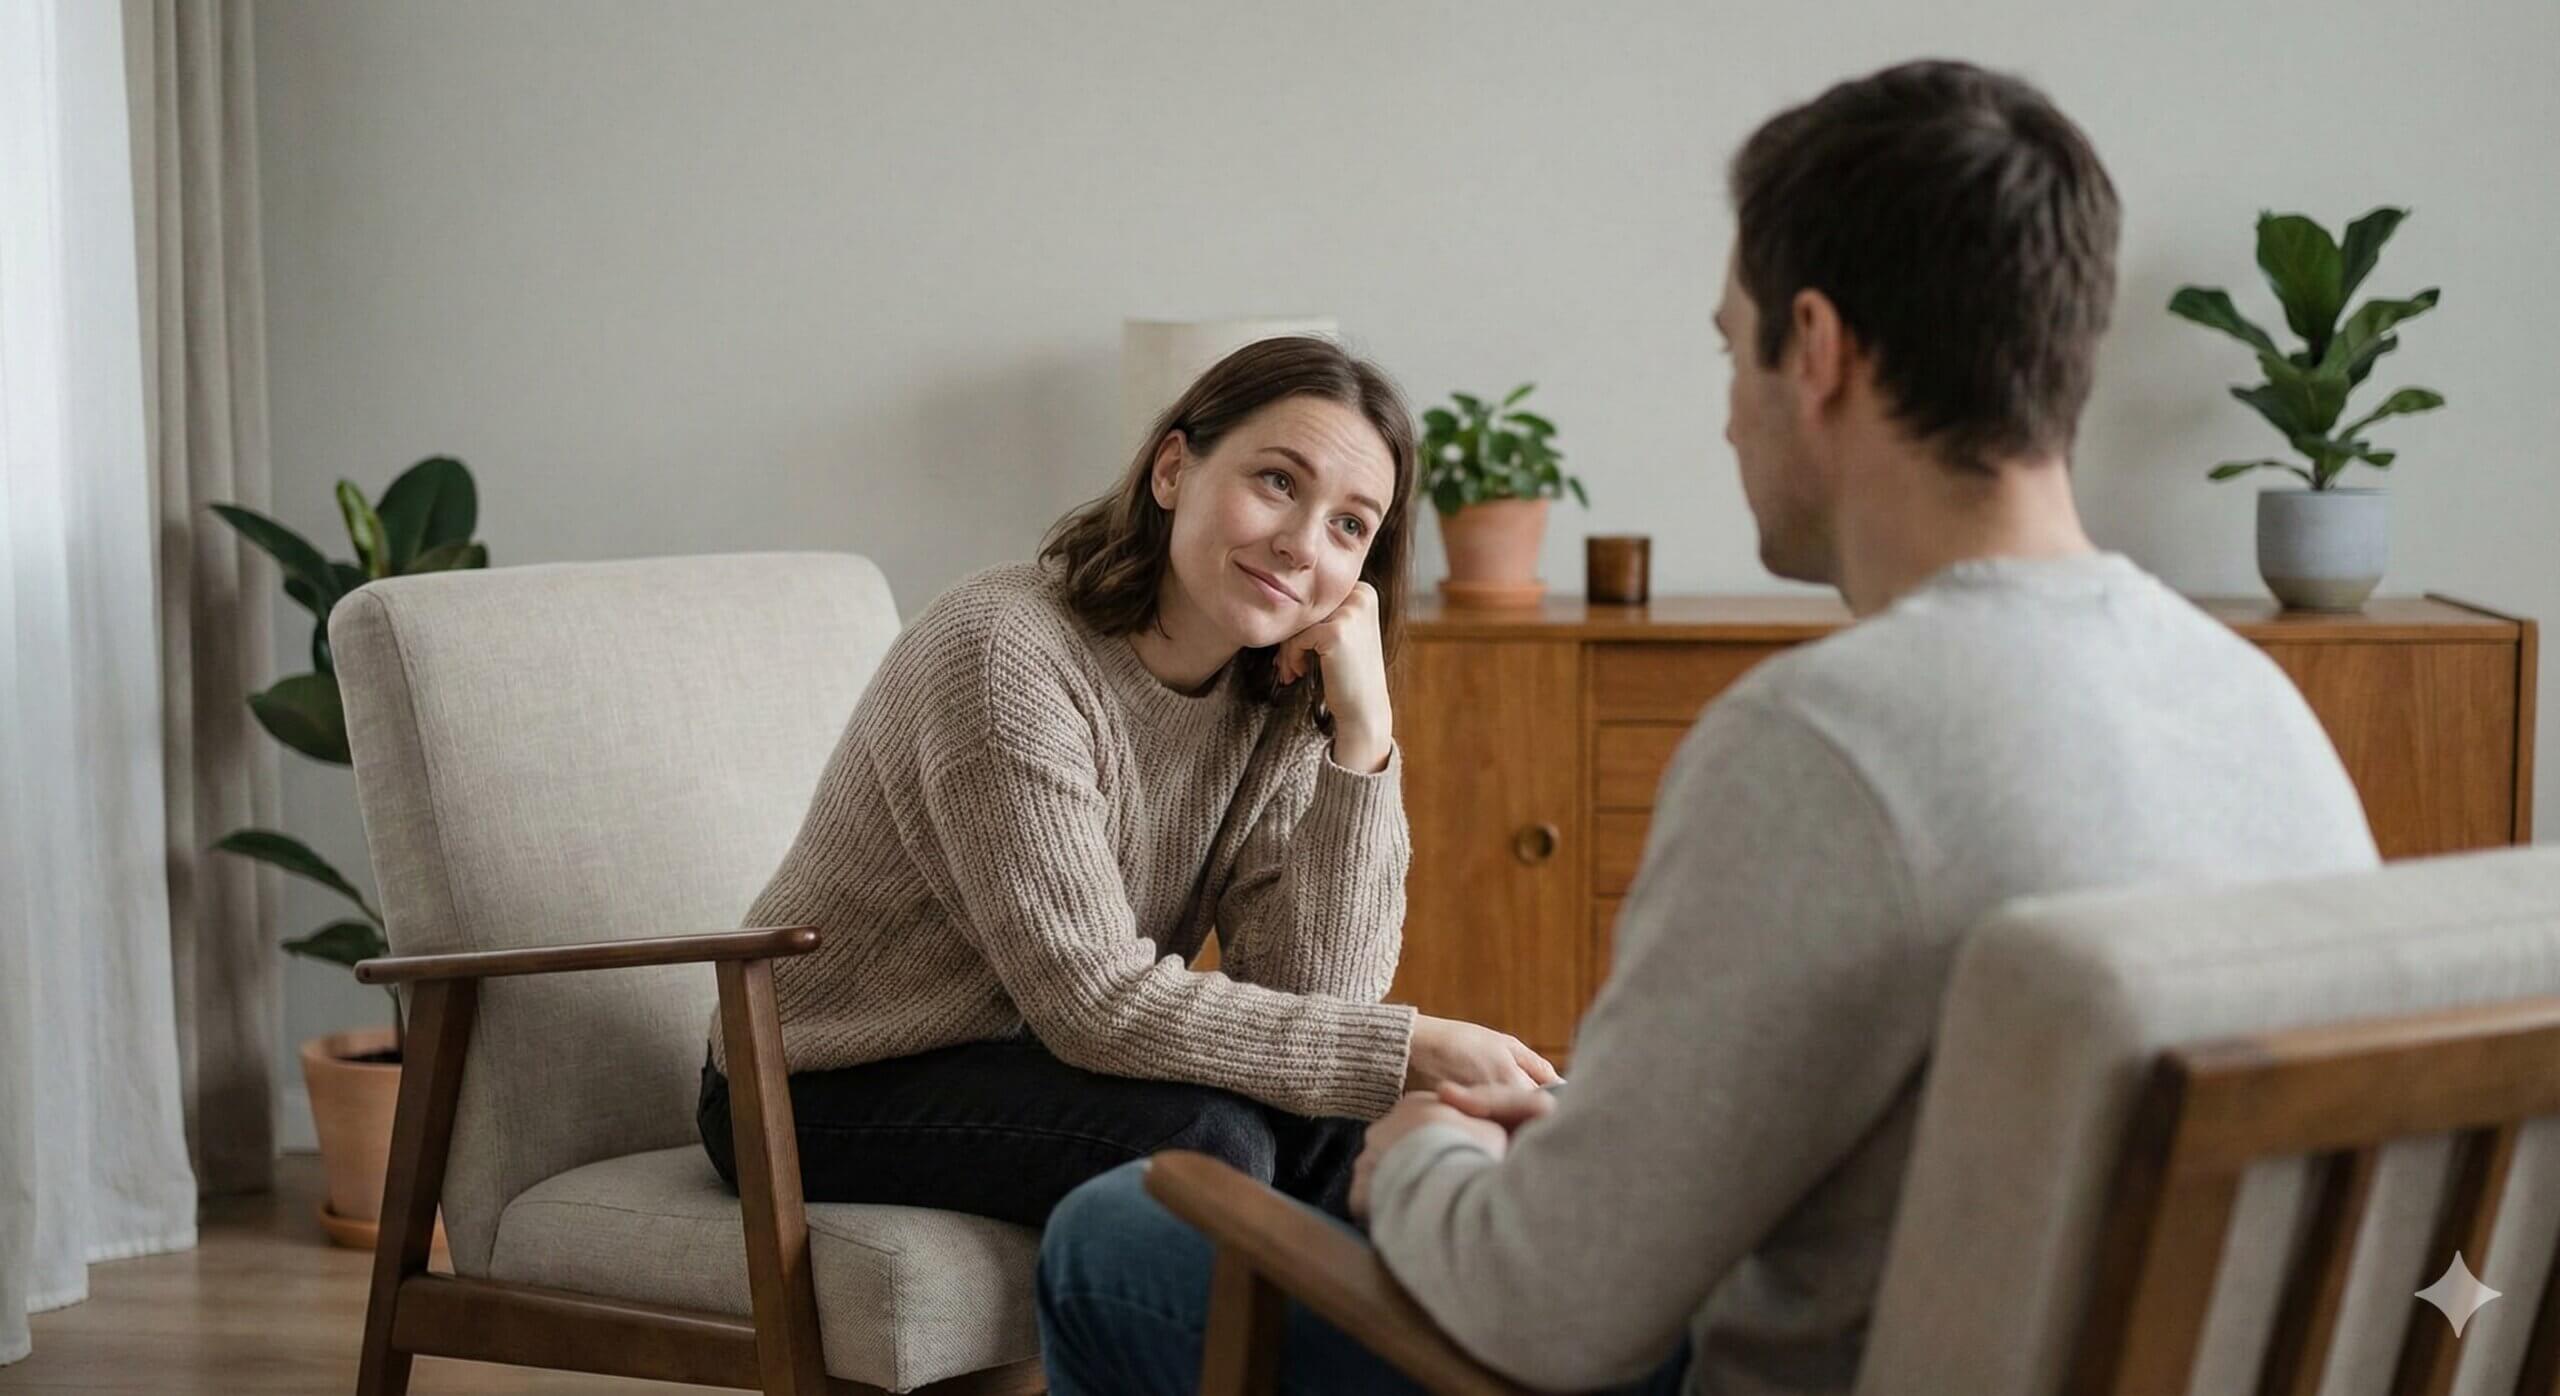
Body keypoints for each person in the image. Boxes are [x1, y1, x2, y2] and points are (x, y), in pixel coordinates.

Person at [1035, 59, 2381, 1395]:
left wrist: (1431, 1144)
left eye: (1733, 348)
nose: (1729, 410)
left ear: (1822, 350)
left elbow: (1545, 1309)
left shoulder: (1829, 740)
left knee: (1117, 1237)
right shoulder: (2258, 712)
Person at [695, 335, 1557, 1229]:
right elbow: (1094, 1005)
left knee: (1370, 1139)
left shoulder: (1282, 695)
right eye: (1277, 482)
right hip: (815, 1085)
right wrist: (1408, 1046)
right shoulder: (1004, 651)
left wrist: (1363, 741)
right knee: (1212, 1145)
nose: (1303, 544)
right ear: (1173, 469)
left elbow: (1314, 1003)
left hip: (1038, 1065)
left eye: (1350, 525)